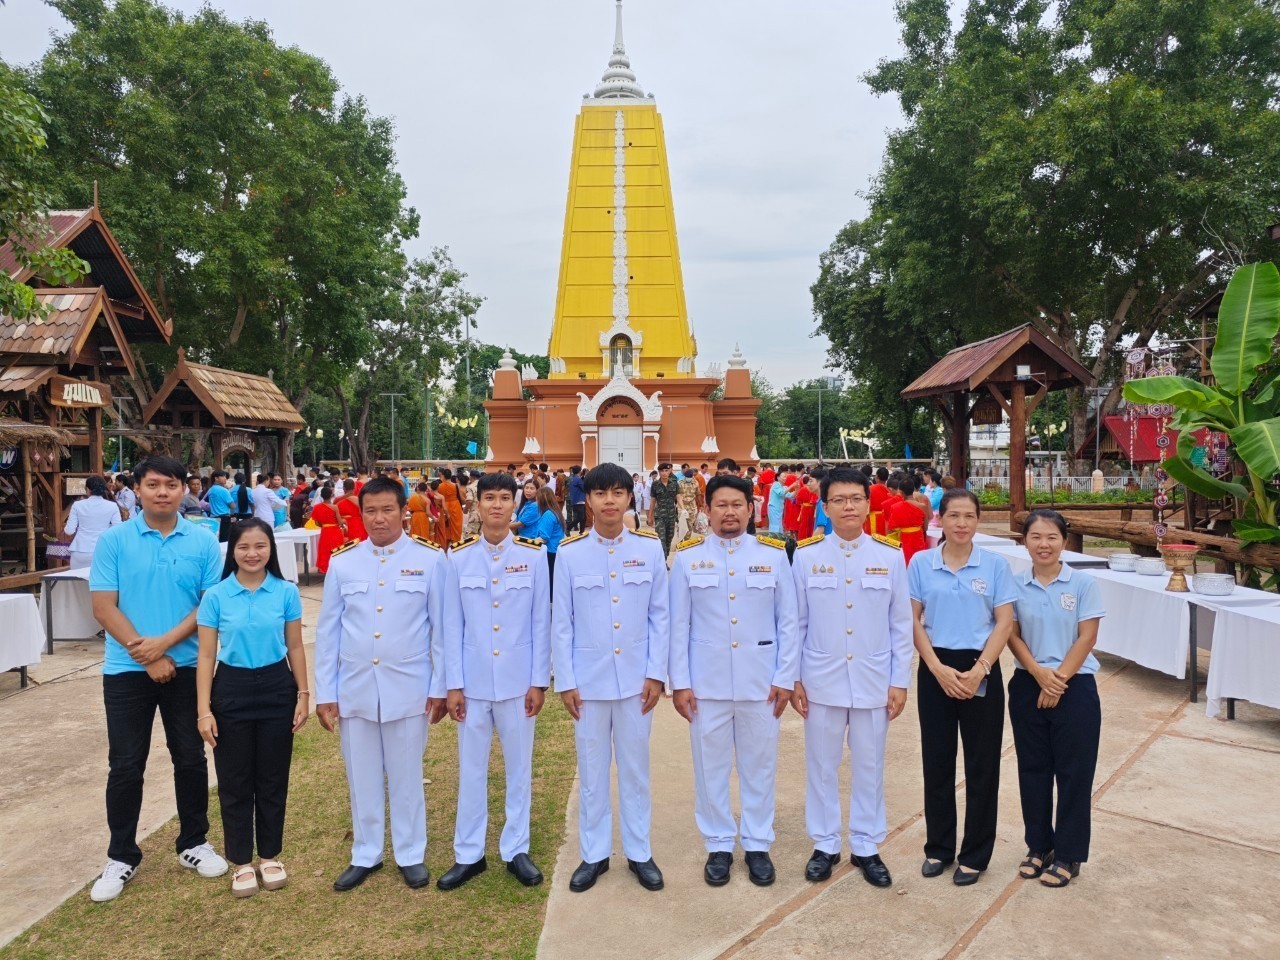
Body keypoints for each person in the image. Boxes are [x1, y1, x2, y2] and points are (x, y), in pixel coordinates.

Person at [88, 456, 228, 902]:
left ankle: (194, 842)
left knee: (190, 757)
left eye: (170, 484)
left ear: (183, 488)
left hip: (186, 668)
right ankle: (121, 855)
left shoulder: (203, 541)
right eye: (153, 484)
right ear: (137, 489)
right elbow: (103, 607)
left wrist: (163, 646)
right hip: (126, 670)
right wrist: (146, 656)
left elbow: (208, 606)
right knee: (126, 764)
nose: (162, 492)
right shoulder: (114, 540)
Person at [315, 476, 459, 891]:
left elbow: (442, 630)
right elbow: (328, 632)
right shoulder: (344, 562)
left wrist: (439, 687)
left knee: (406, 774)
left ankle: (410, 853)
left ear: (403, 513)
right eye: (371, 511)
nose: (379, 519)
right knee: (361, 775)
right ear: (360, 515)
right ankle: (366, 852)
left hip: (409, 687)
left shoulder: (430, 560)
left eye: (387, 510)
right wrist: (325, 693)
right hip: (355, 687)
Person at [668, 475, 798, 887]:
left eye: (737, 504)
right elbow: (678, 625)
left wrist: (785, 677)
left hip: (762, 682)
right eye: (721, 505)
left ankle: (758, 843)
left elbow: (789, 621)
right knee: (710, 768)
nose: (729, 512)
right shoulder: (688, 559)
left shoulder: (773, 556)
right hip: (705, 685)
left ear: (751, 509)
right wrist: (680, 683)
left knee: (759, 767)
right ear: (706, 511)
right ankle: (719, 844)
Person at [791, 467, 913, 888]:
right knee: (821, 765)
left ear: (867, 503)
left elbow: (901, 625)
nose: (848, 506)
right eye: (839, 500)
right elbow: (796, 623)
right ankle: (825, 843)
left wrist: (899, 681)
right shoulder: (806, 556)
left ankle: (865, 844)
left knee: (869, 764)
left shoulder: (889, 556)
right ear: (825, 507)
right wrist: (795, 678)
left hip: (873, 679)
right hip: (820, 679)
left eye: (856, 498)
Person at [552, 462, 669, 893]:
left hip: (637, 682)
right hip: (588, 683)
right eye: (601, 493)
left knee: (635, 771)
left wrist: (656, 673)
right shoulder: (570, 553)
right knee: (592, 770)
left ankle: (639, 852)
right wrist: (566, 681)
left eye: (618, 493)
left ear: (629, 498)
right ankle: (594, 854)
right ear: (588, 499)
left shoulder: (649, 549)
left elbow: (661, 616)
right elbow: (561, 623)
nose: (609, 501)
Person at [437, 473, 550, 891]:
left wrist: (539, 681)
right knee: (471, 769)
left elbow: (541, 622)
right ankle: (469, 854)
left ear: (515, 503)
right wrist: (453, 685)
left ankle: (516, 848)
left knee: (519, 768)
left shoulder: (533, 556)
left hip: (518, 683)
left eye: (505, 497)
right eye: (489, 498)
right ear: (477, 504)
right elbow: (451, 626)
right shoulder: (459, 558)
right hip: (473, 683)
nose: (497, 505)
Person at [195, 520, 309, 897]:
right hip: (232, 689)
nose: (252, 553)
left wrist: (303, 693)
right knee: (234, 779)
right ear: (232, 551)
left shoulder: (285, 592)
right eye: (244, 547)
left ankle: (270, 856)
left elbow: (295, 646)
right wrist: (204, 710)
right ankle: (241, 862)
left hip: (277, 687)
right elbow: (206, 655)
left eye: (260, 546)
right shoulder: (216, 596)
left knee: (273, 777)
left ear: (271, 549)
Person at [908, 488, 1015, 886]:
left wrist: (980, 669)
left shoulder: (995, 565)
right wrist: (935, 667)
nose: (962, 523)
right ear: (941, 518)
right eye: (954, 515)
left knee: (982, 764)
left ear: (978, 520)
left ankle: (975, 855)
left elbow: (1004, 622)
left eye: (969, 516)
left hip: (980, 666)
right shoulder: (922, 563)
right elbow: (912, 619)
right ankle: (938, 848)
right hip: (935, 666)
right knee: (937, 761)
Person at [1008, 509, 1105, 889]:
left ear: (1064, 541)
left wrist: (1057, 681)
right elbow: (1011, 634)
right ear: (1025, 542)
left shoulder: (1082, 584)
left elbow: (1087, 637)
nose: (1043, 544)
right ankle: (1039, 846)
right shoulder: (1014, 584)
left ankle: (1068, 853)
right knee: (1032, 770)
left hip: (1074, 686)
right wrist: (1038, 674)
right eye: (1035, 537)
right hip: (1028, 683)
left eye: (1051, 537)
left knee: (1074, 773)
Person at [65, 475, 123, 569]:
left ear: (88, 489)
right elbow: (118, 530)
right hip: (103, 550)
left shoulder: (77, 505)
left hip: (80, 549)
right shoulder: (112, 506)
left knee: (78, 578)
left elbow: (69, 531)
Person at [885, 475, 929, 563]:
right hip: (918, 539)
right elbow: (925, 528)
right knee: (917, 562)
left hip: (903, 539)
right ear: (913, 489)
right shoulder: (923, 506)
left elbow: (890, 529)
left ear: (901, 492)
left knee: (904, 562)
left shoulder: (896, 507)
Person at [531, 486, 565, 594]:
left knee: (549, 581)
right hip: (555, 550)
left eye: (537, 498)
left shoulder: (548, 515)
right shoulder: (555, 512)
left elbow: (544, 538)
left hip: (549, 552)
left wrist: (527, 544)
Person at [648, 463, 680, 557]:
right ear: (659, 472)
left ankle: (665, 558)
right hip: (660, 516)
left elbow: (678, 497)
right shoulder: (655, 484)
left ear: (670, 471)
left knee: (669, 540)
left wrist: (683, 509)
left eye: (666, 470)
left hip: (671, 516)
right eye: (662, 471)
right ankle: (662, 561)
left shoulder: (674, 484)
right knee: (661, 540)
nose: (664, 473)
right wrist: (650, 517)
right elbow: (653, 501)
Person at [438, 468, 464, 546]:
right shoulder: (456, 485)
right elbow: (462, 498)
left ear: (443, 476)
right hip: (455, 507)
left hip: (444, 507)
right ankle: (455, 546)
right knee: (456, 528)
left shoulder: (439, 486)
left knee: (445, 528)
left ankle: (445, 548)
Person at [206, 470, 235, 542]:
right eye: (223, 476)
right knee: (224, 541)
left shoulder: (211, 489)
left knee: (215, 540)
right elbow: (232, 506)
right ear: (216, 478)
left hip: (213, 518)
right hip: (224, 518)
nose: (225, 478)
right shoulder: (223, 490)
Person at [866, 467, 890, 536]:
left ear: (877, 477)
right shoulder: (890, 490)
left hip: (872, 519)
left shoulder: (870, 489)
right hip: (886, 519)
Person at [566, 464, 587, 535]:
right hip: (579, 500)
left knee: (583, 517)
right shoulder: (578, 479)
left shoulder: (572, 479)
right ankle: (568, 528)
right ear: (580, 471)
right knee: (581, 517)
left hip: (575, 500)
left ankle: (582, 531)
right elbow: (584, 488)